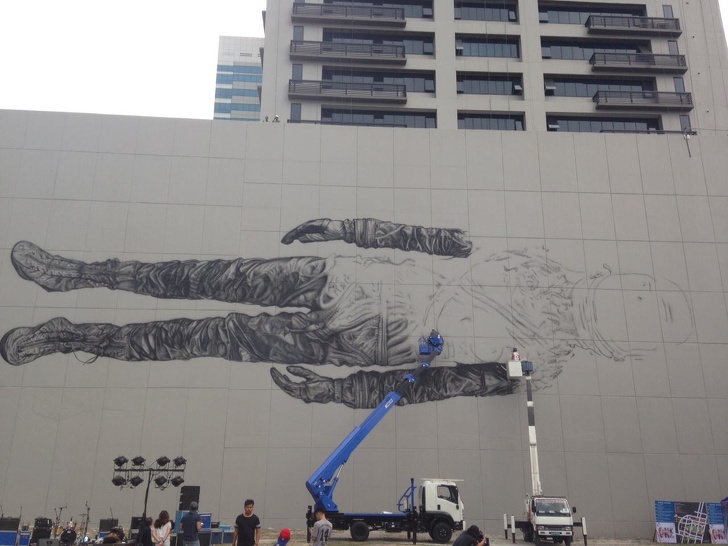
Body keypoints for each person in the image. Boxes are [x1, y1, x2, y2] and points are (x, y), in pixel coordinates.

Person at [1, 217, 693, 408]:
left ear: (618, 347)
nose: (628, 304)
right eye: (639, 295)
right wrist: (345, 228)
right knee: (198, 276)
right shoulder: (527, 257)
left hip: (343, 345)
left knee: (194, 339)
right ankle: (76, 275)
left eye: (639, 315)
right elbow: (424, 240)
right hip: (338, 278)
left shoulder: (531, 368)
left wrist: (338, 393)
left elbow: (428, 387)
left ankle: (65, 337)